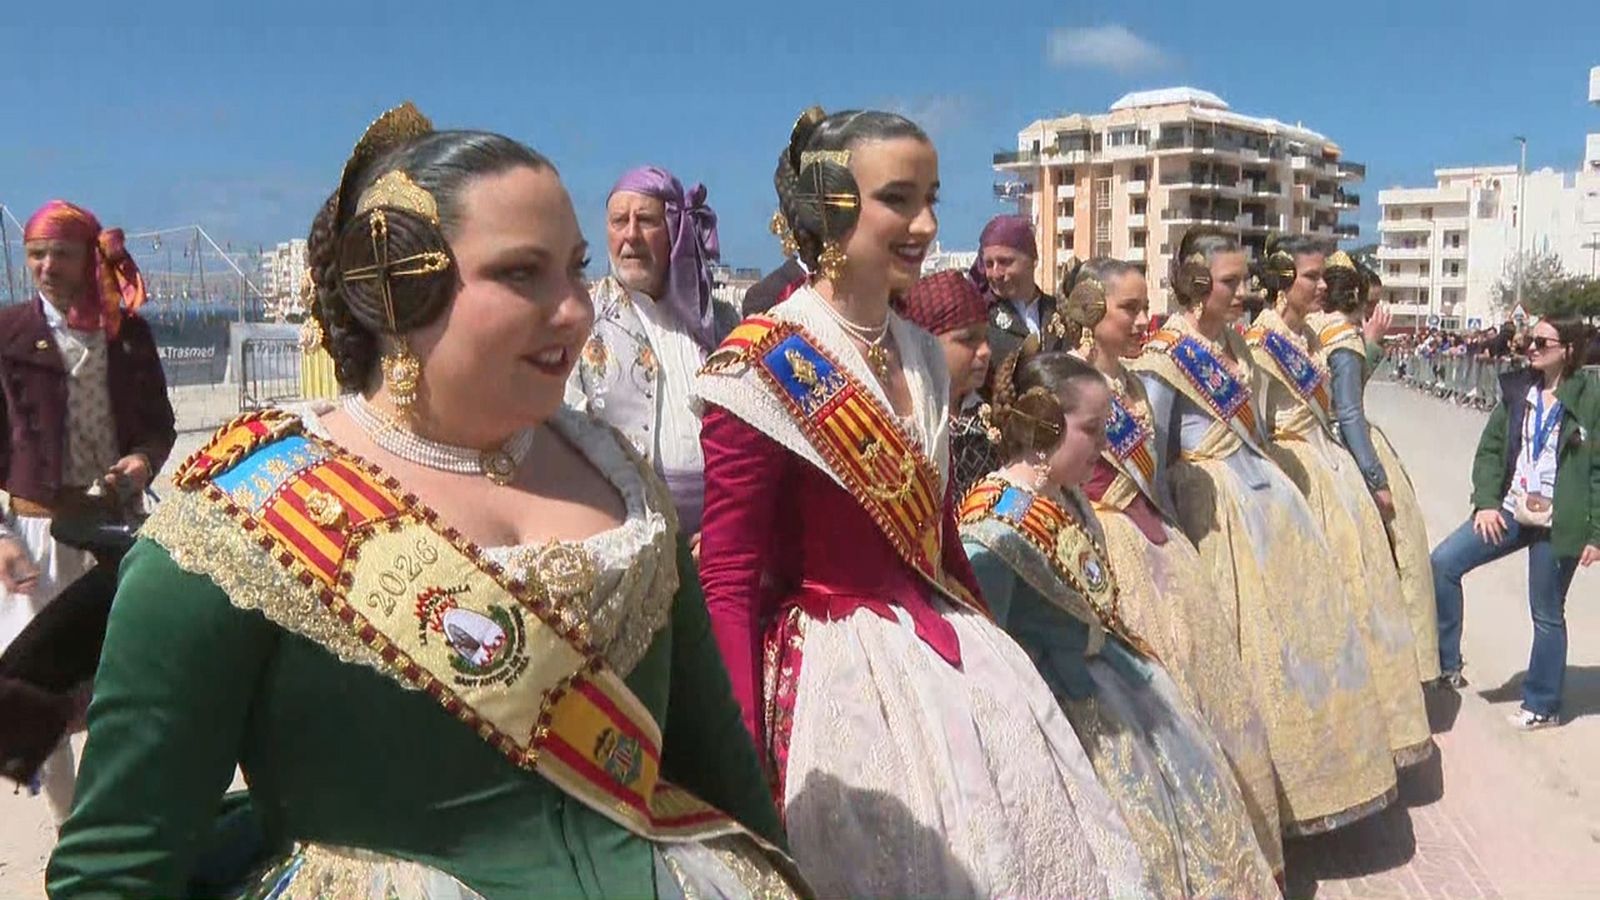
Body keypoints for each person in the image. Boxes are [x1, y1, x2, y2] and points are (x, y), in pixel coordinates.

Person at [48, 104, 802, 899]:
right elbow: (117, 869)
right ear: (395, 291)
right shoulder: (240, 523)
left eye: (576, 268)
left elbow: (718, 777)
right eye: (521, 274)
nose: (576, 308)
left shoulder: (621, 479)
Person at [695, 106, 1149, 898]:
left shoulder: (920, 354)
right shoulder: (763, 362)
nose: (927, 223)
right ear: (831, 204)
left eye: (931, 196)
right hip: (835, 680)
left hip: (946, 649)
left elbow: (936, 529)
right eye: (898, 199)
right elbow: (729, 573)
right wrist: (738, 758)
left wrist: (988, 651)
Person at [959, 344, 1279, 898]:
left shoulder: (1064, 495)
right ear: (1042, 422)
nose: (1106, 445)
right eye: (1092, 429)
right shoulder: (994, 526)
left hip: (1113, 687)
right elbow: (990, 661)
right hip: (1066, 723)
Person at [1130, 226, 1396, 836]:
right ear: (1196, 284)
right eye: (1230, 282)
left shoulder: (1236, 346)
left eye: (1244, 279)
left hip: (1266, 508)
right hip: (1214, 514)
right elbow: (1157, 458)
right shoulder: (1167, 357)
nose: (1244, 291)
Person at [1057, 256, 1283, 877]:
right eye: (1128, 307)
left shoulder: (1131, 379)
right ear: (1090, 308)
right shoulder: (1066, 382)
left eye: (1141, 305)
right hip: (1105, 548)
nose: (1140, 318)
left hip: (1158, 541)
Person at [0, 199, 175, 827]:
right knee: (35, 687)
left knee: (115, 678)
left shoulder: (128, 336)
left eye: (59, 254)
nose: (45, 267)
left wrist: (140, 463)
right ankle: (69, 824)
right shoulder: (7, 335)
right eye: (35, 255)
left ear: (87, 257)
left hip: (112, 533)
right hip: (36, 533)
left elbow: (158, 426)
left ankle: (108, 815)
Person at [1248, 237, 1432, 769]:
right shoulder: (1263, 341)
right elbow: (1260, 426)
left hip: (1330, 470)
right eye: (1311, 276)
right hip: (1298, 477)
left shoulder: (1306, 334)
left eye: (1323, 277)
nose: (1322, 284)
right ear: (1284, 280)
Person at [1430, 317, 1600, 729]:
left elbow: (1597, 469)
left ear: (1568, 350)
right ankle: (1447, 663)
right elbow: (1490, 450)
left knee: (1546, 612)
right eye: (1529, 339)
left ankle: (1542, 704)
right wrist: (1486, 503)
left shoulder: (1589, 399)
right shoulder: (1518, 392)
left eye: (1542, 341)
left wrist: (1595, 533)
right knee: (1443, 563)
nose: (1531, 347)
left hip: (1559, 519)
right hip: (1510, 509)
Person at [565, 165, 735, 535]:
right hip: (623, 530)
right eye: (618, 221)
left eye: (645, 220)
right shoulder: (582, 319)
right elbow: (565, 430)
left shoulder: (721, 322)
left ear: (675, 231)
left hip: (716, 538)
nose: (631, 235)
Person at [1319, 252, 1440, 683]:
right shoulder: (1344, 338)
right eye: (1369, 305)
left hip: (1320, 448)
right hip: (1344, 451)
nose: (1373, 314)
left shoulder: (1309, 330)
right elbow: (1346, 408)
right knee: (1396, 550)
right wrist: (1378, 480)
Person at [899, 268, 997, 498]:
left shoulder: (994, 415)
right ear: (924, 340)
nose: (985, 351)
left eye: (986, 338)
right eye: (968, 339)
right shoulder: (907, 426)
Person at [977, 214, 1065, 390]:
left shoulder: (1061, 313)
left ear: (1033, 260)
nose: (996, 273)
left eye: (1005, 262)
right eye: (989, 264)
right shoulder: (981, 319)